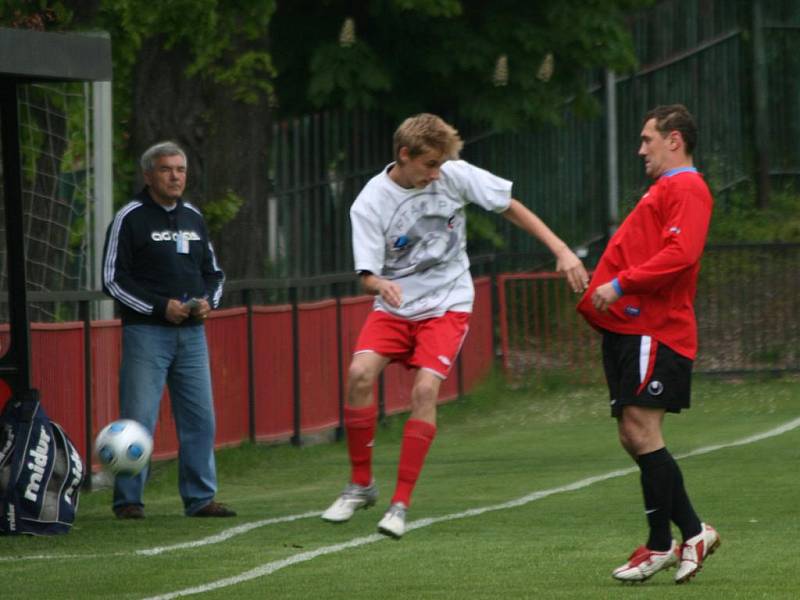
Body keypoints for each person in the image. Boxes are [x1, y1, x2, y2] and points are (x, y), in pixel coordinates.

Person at [322, 113, 589, 538]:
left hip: (448, 302)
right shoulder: (369, 202)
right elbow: (366, 274)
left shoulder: (453, 174)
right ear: (404, 155)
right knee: (358, 374)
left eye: (441, 165)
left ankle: (400, 504)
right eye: (429, 165)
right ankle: (360, 485)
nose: (436, 174)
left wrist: (562, 250)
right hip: (395, 306)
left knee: (425, 389)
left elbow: (510, 206)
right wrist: (380, 283)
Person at [577, 104, 719, 583]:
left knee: (641, 431)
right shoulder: (666, 189)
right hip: (630, 326)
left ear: (674, 139)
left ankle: (672, 540)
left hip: (655, 327)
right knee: (631, 435)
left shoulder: (687, 187)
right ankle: (680, 536)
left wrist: (620, 285)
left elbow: (682, 253)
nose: (641, 149)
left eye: (647, 139)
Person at [102, 141, 235, 519]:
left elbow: (215, 274)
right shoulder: (130, 217)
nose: (175, 176)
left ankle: (200, 498)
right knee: (138, 419)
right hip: (147, 333)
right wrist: (162, 307)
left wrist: (209, 300)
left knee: (200, 419)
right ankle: (128, 501)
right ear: (148, 175)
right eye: (166, 169)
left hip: (192, 335)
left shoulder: (193, 217)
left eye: (180, 169)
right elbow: (112, 279)